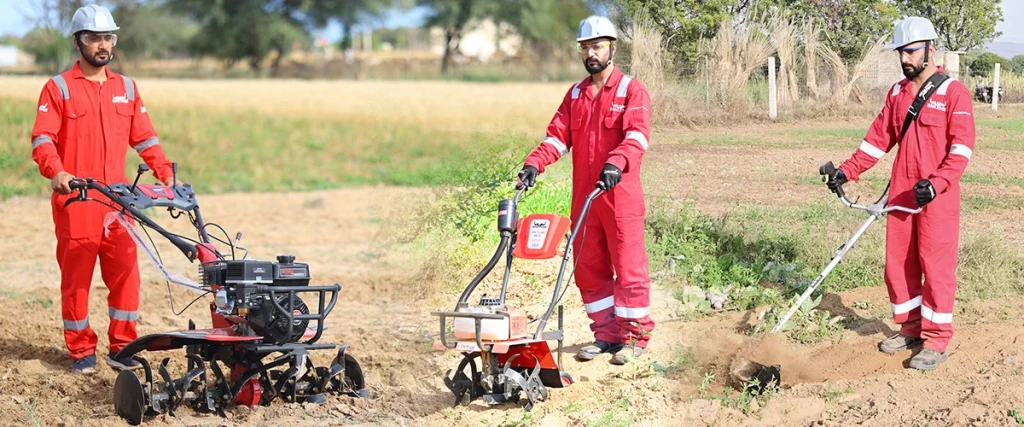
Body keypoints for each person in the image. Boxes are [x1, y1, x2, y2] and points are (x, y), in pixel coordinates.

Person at [30, 4, 178, 374]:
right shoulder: (58, 87)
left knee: (127, 276)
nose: (102, 44)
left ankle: (123, 347)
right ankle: (81, 349)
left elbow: (144, 139)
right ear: (79, 41)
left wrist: (166, 175)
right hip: (77, 199)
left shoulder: (126, 88)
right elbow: (43, 139)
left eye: (108, 37)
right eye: (94, 37)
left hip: (119, 202)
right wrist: (58, 171)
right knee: (77, 281)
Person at [823, 16, 976, 371]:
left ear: (930, 49)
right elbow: (877, 142)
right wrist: (847, 171)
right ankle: (911, 328)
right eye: (901, 53)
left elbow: (962, 149)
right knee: (898, 267)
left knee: (935, 267)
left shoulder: (955, 93)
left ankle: (936, 340)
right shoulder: (897, 93)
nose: (905, 59)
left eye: (911, 51)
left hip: (937, 197)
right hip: (902, 194)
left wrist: (937, 184)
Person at [517, 15, 654, 366]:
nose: (591, 53)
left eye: (597, 46)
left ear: (612, 47)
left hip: (619, 195)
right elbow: (557, 138)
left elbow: (637, 136)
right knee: (589, 268)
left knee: (628, 267)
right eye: (585, 47)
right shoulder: (576, 94)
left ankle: (635, 338)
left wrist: (617, 162)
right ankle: (606, 336)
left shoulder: (631, 90)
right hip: (585, 199)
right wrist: (534, 163)